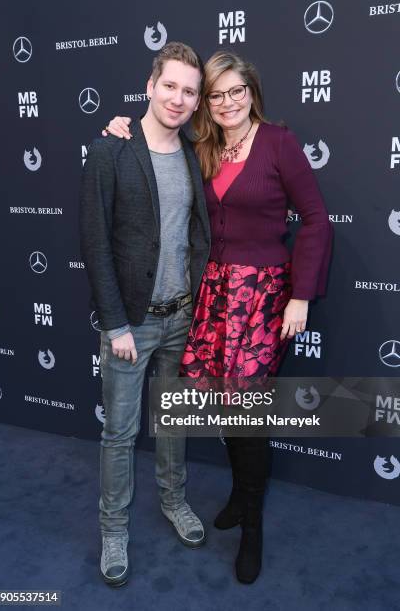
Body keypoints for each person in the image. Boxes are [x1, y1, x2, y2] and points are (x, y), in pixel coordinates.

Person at [103, 51, 332, 584]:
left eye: (237, 91)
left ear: (252, 91)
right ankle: (237, 497)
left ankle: (252, 527)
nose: (227, 102)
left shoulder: (279, 142)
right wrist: (116, 127)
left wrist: (301, 296)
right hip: (210, 296)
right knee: (224, 413)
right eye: (216, 94)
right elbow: (150, 148)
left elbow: (317, 220)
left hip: (264, 297)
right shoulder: (201, 146)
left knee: (248, 419)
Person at [79, 42, 210, 587]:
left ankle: (174, 501)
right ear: (151, 85)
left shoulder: (194, 154)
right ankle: (113, 531)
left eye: (190, 91)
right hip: (131, 323)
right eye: (171, 85)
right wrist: (114, 324)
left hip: (183, 317)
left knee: (174, 423)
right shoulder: (111, 149)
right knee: (120, 433)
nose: (178, 99)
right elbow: (94, 242)